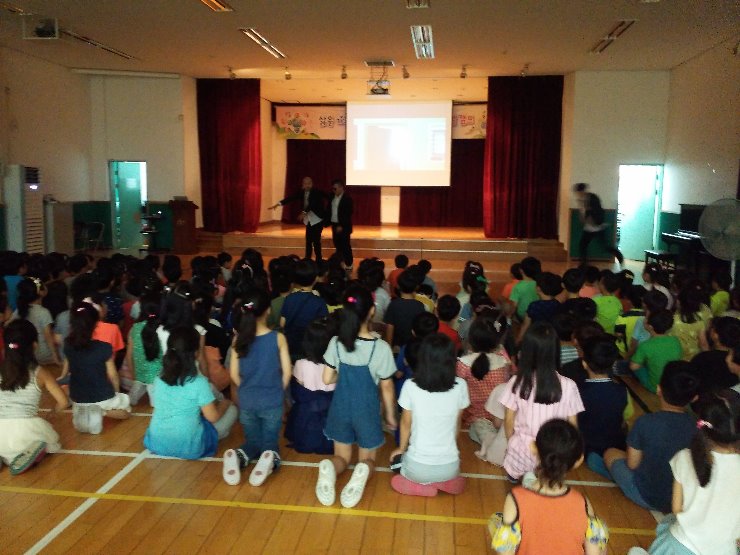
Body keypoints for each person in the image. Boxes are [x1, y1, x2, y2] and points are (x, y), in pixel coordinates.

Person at [627, 389, 739, 555]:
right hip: (724, 551)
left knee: (666, 524)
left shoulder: (685, 457)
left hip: (677, 546)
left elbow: (676, 508)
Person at [316, 285, 397, 509]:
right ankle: (362, 471)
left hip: (340, 408)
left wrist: (342, 376)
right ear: (371, 311)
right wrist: (391, 416)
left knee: (341, 457)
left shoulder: (336, 343)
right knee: (367, 460)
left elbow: (326, 378)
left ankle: (330, 468)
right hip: (367, 411)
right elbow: (387, 387)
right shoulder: (381, 348)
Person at [489, 419, 609, 555]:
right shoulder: (582, 502)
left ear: (533, 447)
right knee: (599, 532)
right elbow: (594, 553)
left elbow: (506, 552)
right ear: (578, 460)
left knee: (497, 523)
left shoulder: (516, 499)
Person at [605, 361, 699, 513]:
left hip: (647, 496)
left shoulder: (645, 422)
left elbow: (632, 465)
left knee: (610, 453)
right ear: (694, 398)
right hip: (681, 500)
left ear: (658, 389)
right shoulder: (698, 428)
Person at [223, 289, 292, 486]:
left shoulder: (238, 340)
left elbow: (233, 374)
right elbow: (287, 372)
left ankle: (239, 454)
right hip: (272, 401)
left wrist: (246, 388)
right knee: (270, 442)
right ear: (268, 311)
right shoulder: (277, 338)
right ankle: (268, 458)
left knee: (252, 441)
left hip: (247, 401)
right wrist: (278, 390)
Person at [500, 321, 585, 481]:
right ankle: (541, 480)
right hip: (553, 458)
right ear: (555, 350)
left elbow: (509, 421)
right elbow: (573, 427)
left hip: (521, 454)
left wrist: (512, 445)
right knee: (548, 476)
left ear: (526, 351)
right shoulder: (569, 386)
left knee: (514, 472)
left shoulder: (516, 382)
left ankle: (519, 477)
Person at [389, 333, 470, 496]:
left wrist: (400, 449)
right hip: (450, 466)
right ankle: (445, 482)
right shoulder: (461, 385)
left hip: (417, 468)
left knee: (394, 466)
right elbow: (457, 424)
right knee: (450, 472)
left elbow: (405, 423)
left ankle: (422, 487)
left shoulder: (410, 386)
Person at [144, 326, 237, 460]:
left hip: (157, 442)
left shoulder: (159, 378)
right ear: (196, 353)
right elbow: (213, 417)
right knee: (232, 410)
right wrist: (226, 403)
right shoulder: (198, 382)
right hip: (188, 446)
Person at [0, 320, 68, 474]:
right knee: (48, 442)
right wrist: (51, 415)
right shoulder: (40, 373)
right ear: (34, 345)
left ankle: (3, 456)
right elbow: (63, 402)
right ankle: (28, 456)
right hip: (25, 431)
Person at [64, 301, 131, 434]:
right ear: (95, 323)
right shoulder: (103, 347)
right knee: (126, 412)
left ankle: (89, 412)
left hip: (78, 396)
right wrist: (116, 392)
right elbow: (113, 375)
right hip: (102, 395)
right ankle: (101, 412)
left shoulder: (68, 345)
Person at [455, 311, 512, 457]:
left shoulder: (463, 364)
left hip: (473, 415)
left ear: (471, 339)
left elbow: (457, 393)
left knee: (477, 428)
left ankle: (489, 440)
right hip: (499, 415)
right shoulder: (503, 362)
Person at [577, 335, 628, 478]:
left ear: (584, 363)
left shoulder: (578, 391)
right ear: (613, 364)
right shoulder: (622, 391)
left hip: (588, 445)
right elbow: (624, 420)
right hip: (615, 444)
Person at [284, 316, 337, 455]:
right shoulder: (336, 366)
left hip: (306, 419)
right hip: (331, 417)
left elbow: (298, 388)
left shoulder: (301, 364)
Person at [280, 259, 329, 361]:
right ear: (316, 278)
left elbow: (282, 324)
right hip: (310, 352)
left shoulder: (289, 298)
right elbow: (324, 328)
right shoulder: (319, 302)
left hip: (290, 347)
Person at [270, 176, 328, 262]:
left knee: (316, 241)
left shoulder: (316, 192)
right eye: (305, 183)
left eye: (309, 183)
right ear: (303, 185)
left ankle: (318, 260)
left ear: (312, 184)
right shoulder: (301, 192)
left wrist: (303, 213)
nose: (307, 185)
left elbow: (312, 204)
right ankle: (307, 260)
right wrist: (279, 204)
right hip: (309, 219)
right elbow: (291, 197)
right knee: (308, 241)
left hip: (317, 219)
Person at [10, 277, 60, 366]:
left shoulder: (19, 311)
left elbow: (8, 325)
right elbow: (48, 337)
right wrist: (55, 357)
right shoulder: (43, 312)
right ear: (40, 292)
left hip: (27, 354)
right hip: (43, 355)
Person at [125, 293, 162, 406]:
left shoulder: (135, 328)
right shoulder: (163, 329)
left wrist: (134, 376)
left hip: (139, 376)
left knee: (132, 402)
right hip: (158, 378)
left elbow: (129, 355)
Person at [574, 182, 624, 265]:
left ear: (582, 191)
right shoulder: (581, 200)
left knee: (605, 246)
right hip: (589, 228)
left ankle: (618, 255)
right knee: (582, 246)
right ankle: (583, 264)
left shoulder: (592, 198)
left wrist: (592, 219)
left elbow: (598, 210)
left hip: (598, 227)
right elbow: (583, 213)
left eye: (578, 192)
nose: (578, 194)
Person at [384, 269, 426, 349]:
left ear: (398, 286)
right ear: (416, 287)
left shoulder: (393, 304)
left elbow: (389, 328)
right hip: (413, 348)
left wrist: (389, 349)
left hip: (396, 347)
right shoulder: (420, 305)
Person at [328, 179, 353, 271]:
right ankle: (339, 263)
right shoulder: (332, 196)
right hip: (334, 224)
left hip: (344, 226)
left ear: (341, 188)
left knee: (346, 246)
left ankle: (349, 263)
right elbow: (329, 210)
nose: (333, 190)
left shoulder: (347, 198)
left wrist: (341, 225)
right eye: (333, 189)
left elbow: (348, 213)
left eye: (335, 188)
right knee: (337, 245)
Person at [509, 256, 541, 322]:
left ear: (521, 270)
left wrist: (508, 317)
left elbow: (514, 306)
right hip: (537, 315)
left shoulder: (518, 286)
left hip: (522, 316)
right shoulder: (539, 284)